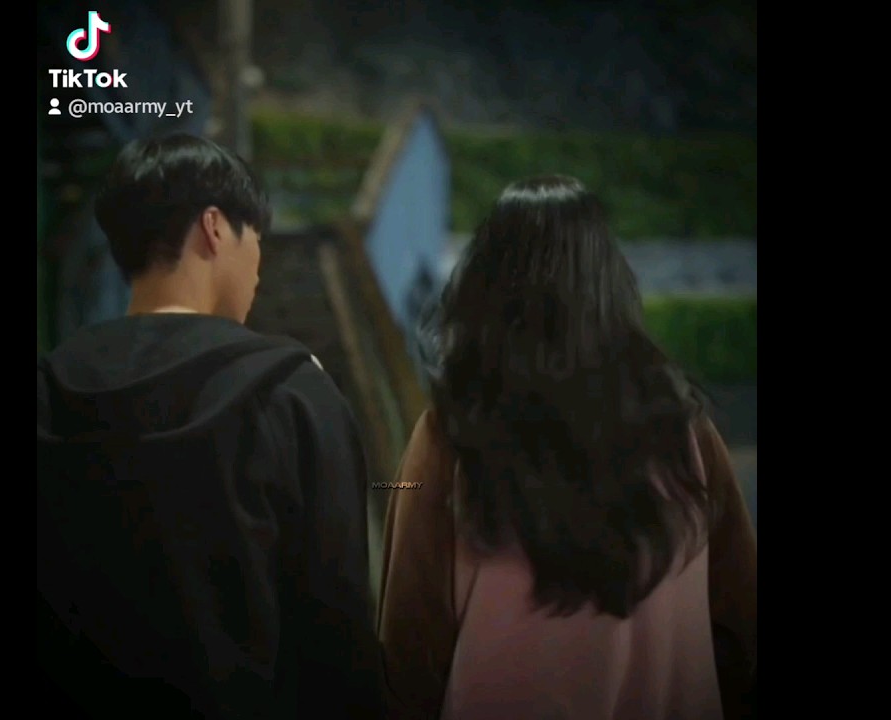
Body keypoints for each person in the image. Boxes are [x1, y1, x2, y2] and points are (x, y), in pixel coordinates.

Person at [377, 176, 757, 719]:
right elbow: (740, 626)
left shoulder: (448, 437)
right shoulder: (686, 435)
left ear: (484, 286)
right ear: (610, 287)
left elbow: (408, 650)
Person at [37, 131, 383, 718]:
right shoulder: (290, 392)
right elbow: (335, 633)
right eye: (257, 239)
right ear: (215, 227)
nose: (258, 267)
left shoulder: (50, 387)